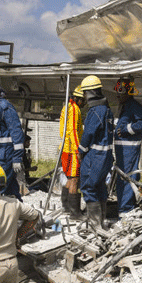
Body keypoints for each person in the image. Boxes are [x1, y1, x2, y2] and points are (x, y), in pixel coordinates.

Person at [77, 75, 114, 228]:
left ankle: (94, 225)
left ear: (91, 93)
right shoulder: (107, 110)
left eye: (85, 93)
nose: (84, 97)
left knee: (88, 186)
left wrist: (81, 150)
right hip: (106, 156)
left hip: (95, 156)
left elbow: (89, 133)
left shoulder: (96, 111)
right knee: (99, 186)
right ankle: (101, 221)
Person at [113, 77, 142, 213]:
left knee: (127, 177)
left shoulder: (133, 106)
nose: (117, 94)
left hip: (129, 149)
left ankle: (125, 211)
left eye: (120, 91)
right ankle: (124, 208)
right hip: (123, 150)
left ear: (128, 92)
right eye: (117, 90)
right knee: (124, 178)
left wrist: (126, 130)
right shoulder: (124, 107)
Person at [59, 85, 85, 217]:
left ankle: (66, 206)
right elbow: (73, 131)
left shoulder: (66, 107)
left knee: (69, 178)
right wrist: (78, 150)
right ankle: (75, 212)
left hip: (65, 149)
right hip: (71, 150)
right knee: (74, 179)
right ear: (79, 99)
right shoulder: (74, 109)